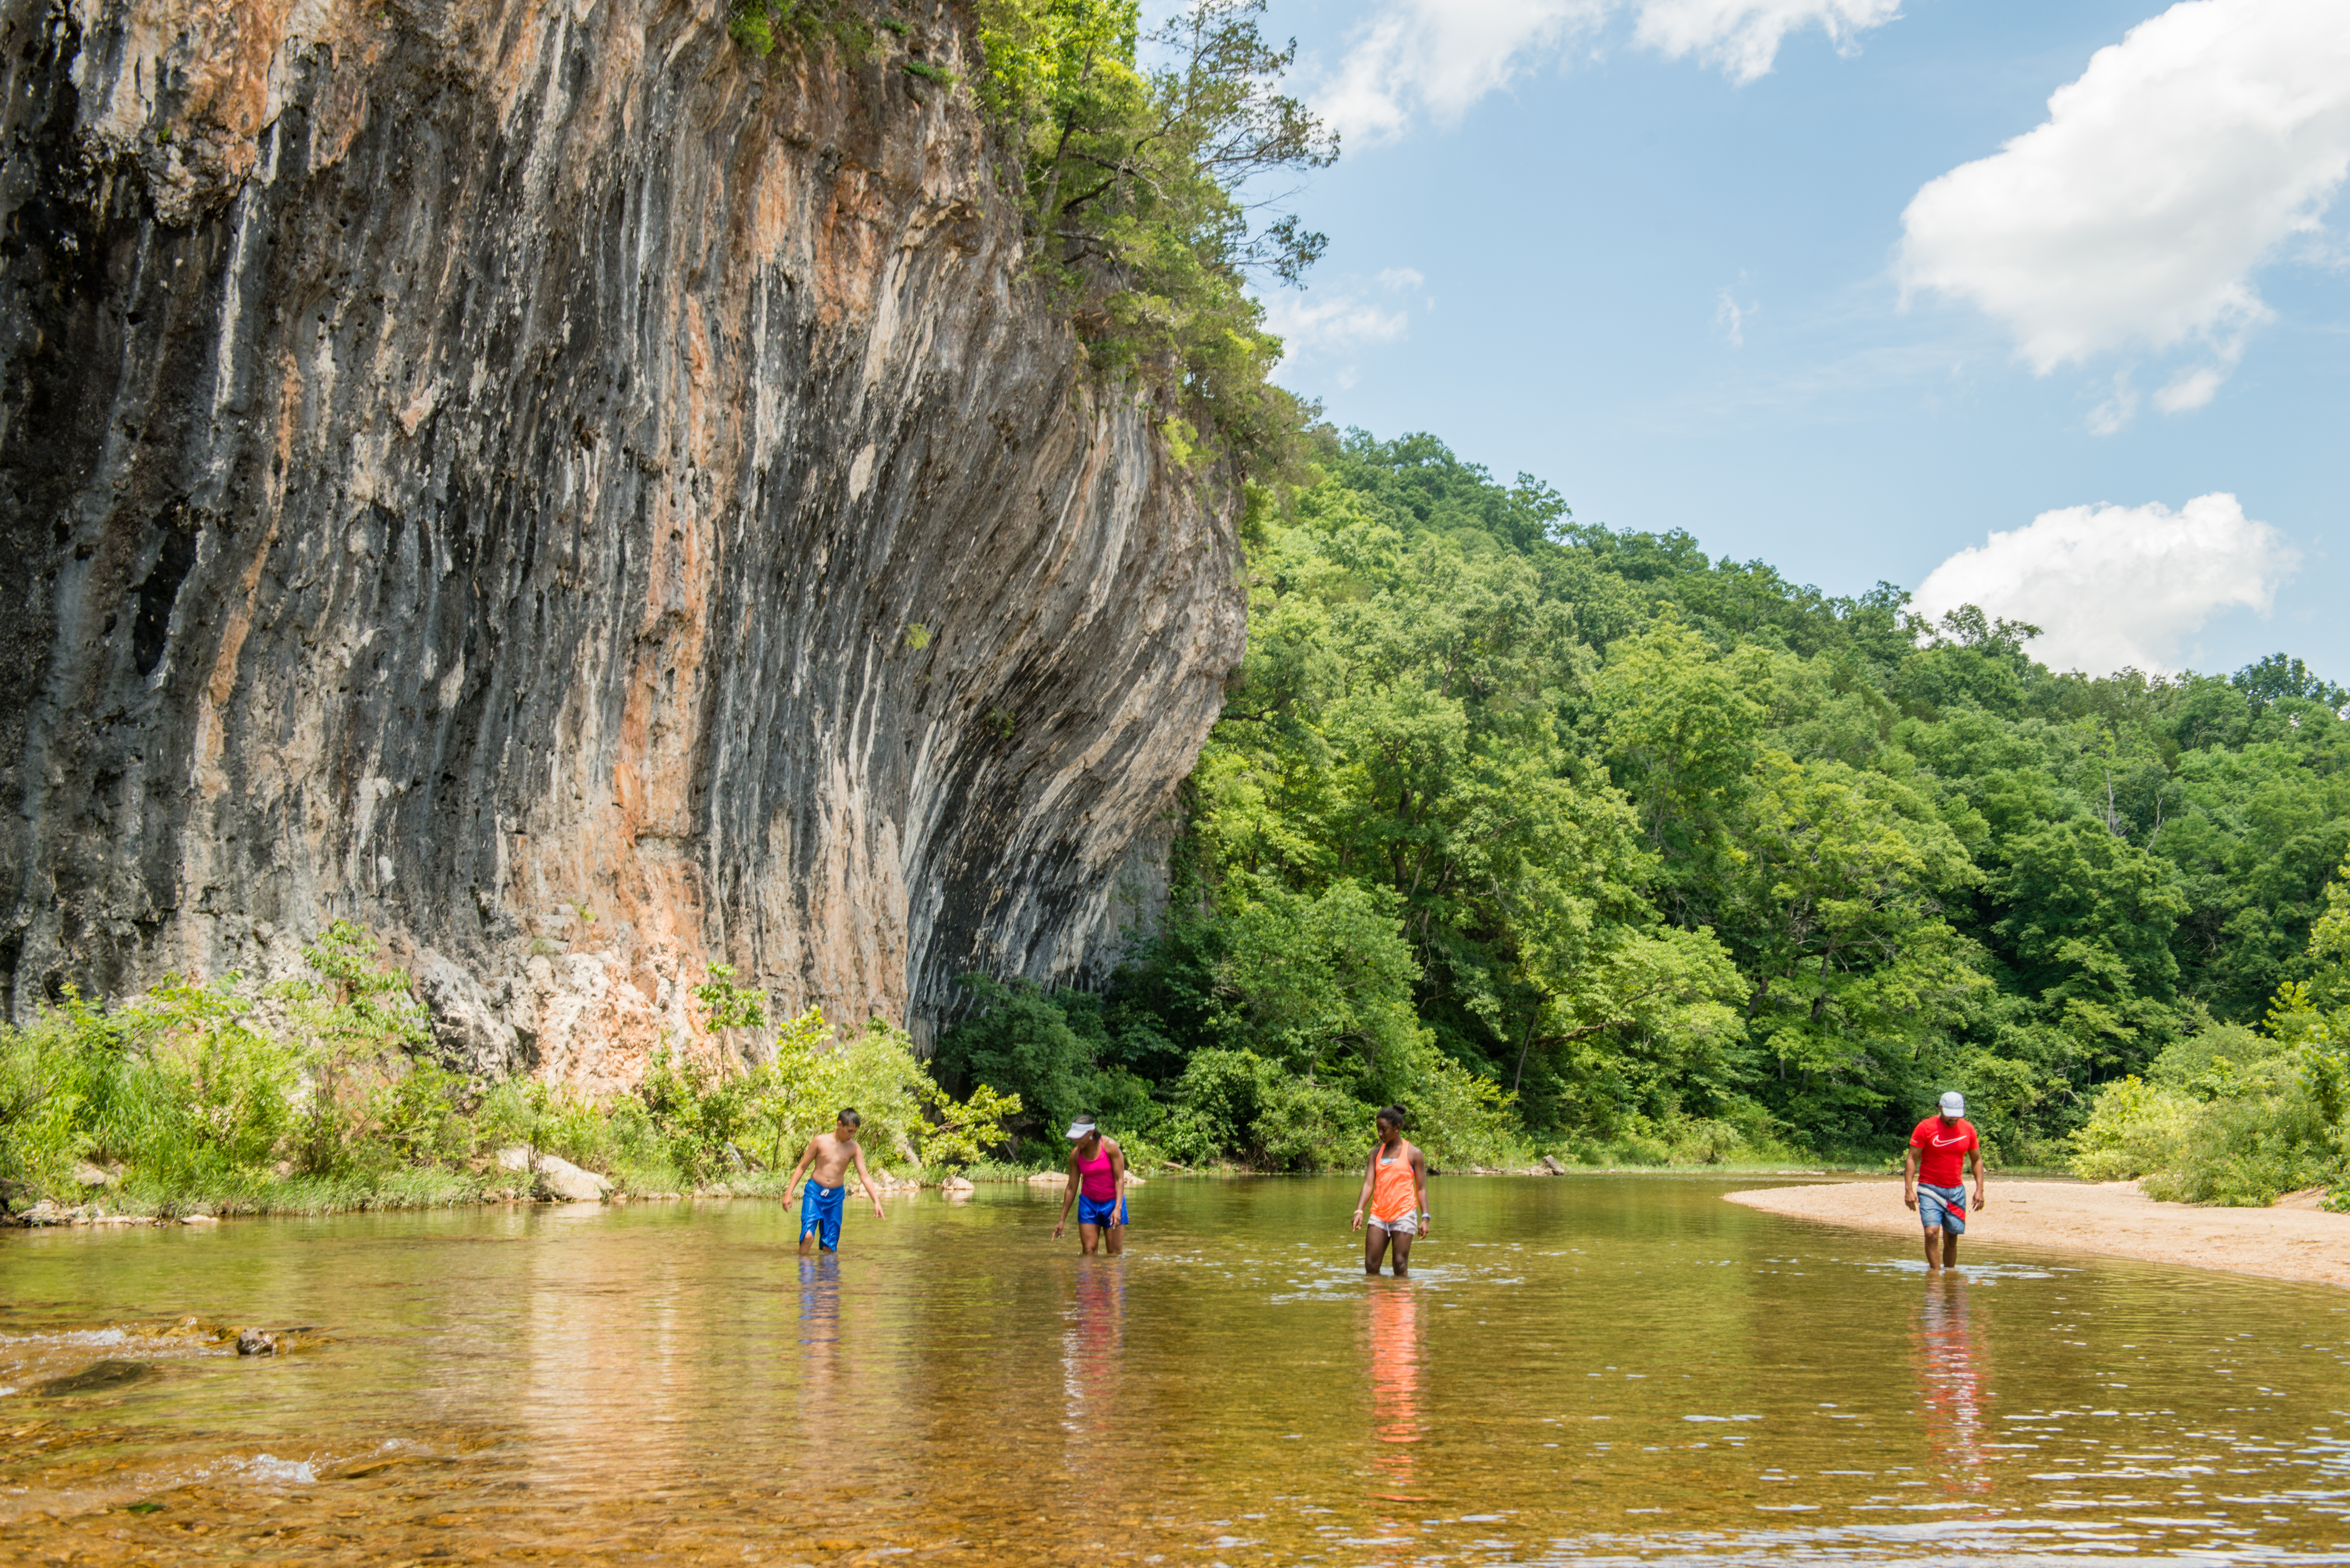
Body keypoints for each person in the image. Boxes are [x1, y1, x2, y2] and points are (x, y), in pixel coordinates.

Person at [783, 1109, 886, 1255]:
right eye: (850, 1131)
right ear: (839, 1125)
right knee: (808, 1237)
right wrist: (789, 1193)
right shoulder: (820, 1141)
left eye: (855, 1132)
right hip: (815, 1193)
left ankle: (827, 1278)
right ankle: (805, 1275)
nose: (852, 1136)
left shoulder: (854, 1148)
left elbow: (865, 1176)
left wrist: (876, 1201)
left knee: (830, 1246)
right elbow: (802, 1167)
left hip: (835, 1197)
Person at [1904, 1090, 1986, 1271]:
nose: (1952, 1120)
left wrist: (1980, 1190)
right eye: (1949, 1115)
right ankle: (1935, 1277)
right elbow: (1912, 1158)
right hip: (1929, 1189)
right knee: (1931, 1233)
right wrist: (1909, 1189)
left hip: (1956, 1191)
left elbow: (1977, 1160)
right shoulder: (1925, 1128)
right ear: (1940, 1108)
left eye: (1956, 1116)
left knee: (1951, 1238)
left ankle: (1949, 1275)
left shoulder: (1968, 1129)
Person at [1352, 1106, 1429, 1277]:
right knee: (1371, 1266)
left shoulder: (1414, 1154)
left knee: (1400, 1264)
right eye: (1378, 1129)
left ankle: (1400, 1301)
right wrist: (1359, 1210)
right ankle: (1376, 1301)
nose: (1380, 1134)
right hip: (1379, 1215)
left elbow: (1421, 1189)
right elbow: (1368, 1185)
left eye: (1384, 1130)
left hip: (1404, 1214)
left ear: (1397, 1128)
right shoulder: (1375, 1154)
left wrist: (1425, 1218)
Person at [1052, 1117, 1129, 1255]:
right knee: (1089, 1251)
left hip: (1113, 1203)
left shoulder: (1110, 1146)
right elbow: (1071, 1188)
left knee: (1114, 1254)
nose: (1076, 1140)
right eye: (1074, 1137)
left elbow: (1120, 1179)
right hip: (1089, 1205)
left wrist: (1118, 1208)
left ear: (1091, 1132)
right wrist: (1062, 1220)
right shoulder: (1075, 1155)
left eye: (1079, 1137)